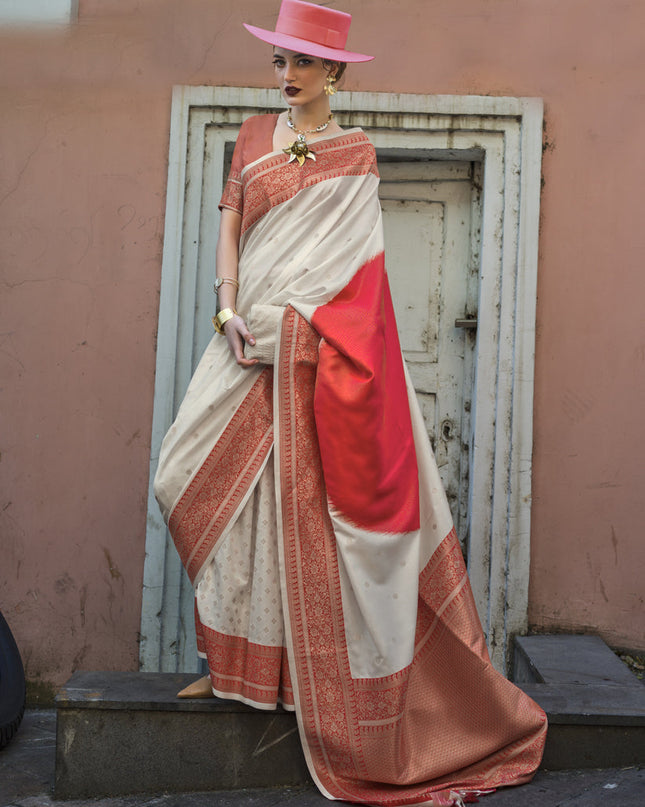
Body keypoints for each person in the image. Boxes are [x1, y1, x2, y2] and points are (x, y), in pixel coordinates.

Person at [153, 1, 547, 804]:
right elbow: (230, 226)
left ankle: (286, 679)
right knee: (187, 483)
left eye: (302, 63)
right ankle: (232, 665)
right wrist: (227, 311)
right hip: (240, 341)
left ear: (333, 71)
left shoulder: (356, 153)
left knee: (291, 511)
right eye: (280, 62)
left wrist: (294, 328)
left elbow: (357, 276)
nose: (287, 76)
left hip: (308, 351)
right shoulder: (253, 139)